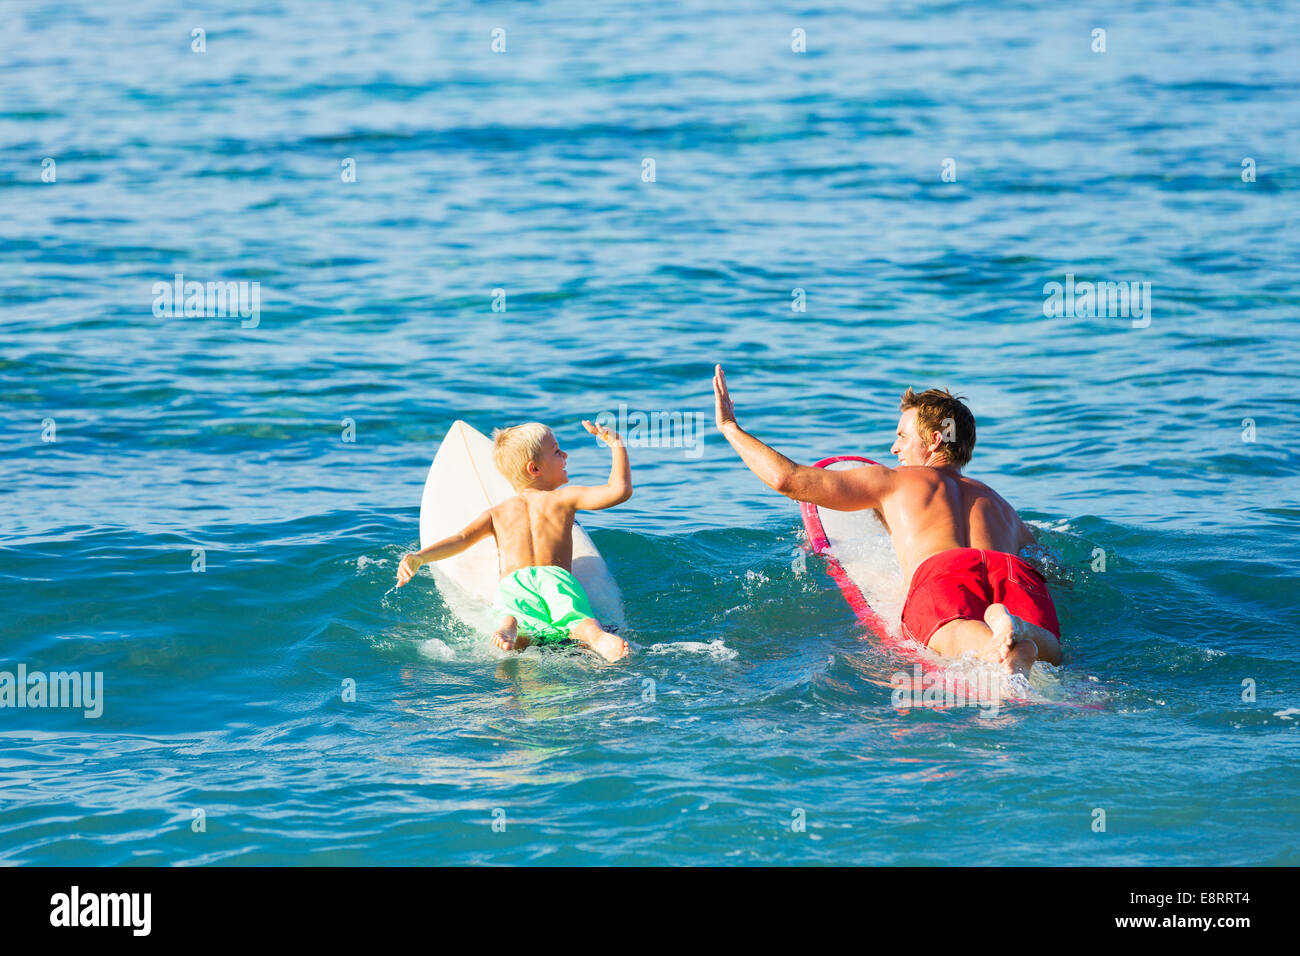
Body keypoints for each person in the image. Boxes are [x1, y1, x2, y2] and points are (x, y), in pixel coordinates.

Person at [712, 365, 1061, 678]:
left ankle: (993, 643)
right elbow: (1049, 564)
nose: (895, 449)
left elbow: (788, 480)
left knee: (953, 631)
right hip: (1013, 570)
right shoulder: (999, 504)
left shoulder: (895, 480)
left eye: (902, 437)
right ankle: (1024, 634)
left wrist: (730, 428)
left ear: (935, 440)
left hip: (943, 570)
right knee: (1054, 655)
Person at [396, 420, 631, 662]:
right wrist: (616, 444)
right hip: (556, 579)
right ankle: (598, 640)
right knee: (581, 624)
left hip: (514, 585)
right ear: (535, 469)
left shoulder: (497, 513)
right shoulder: (564, 499)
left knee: (521, 626)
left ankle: (510, 626)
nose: (565, 455)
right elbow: (619, 490)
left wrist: (420, 557)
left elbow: (461, 539)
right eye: (557, 452)